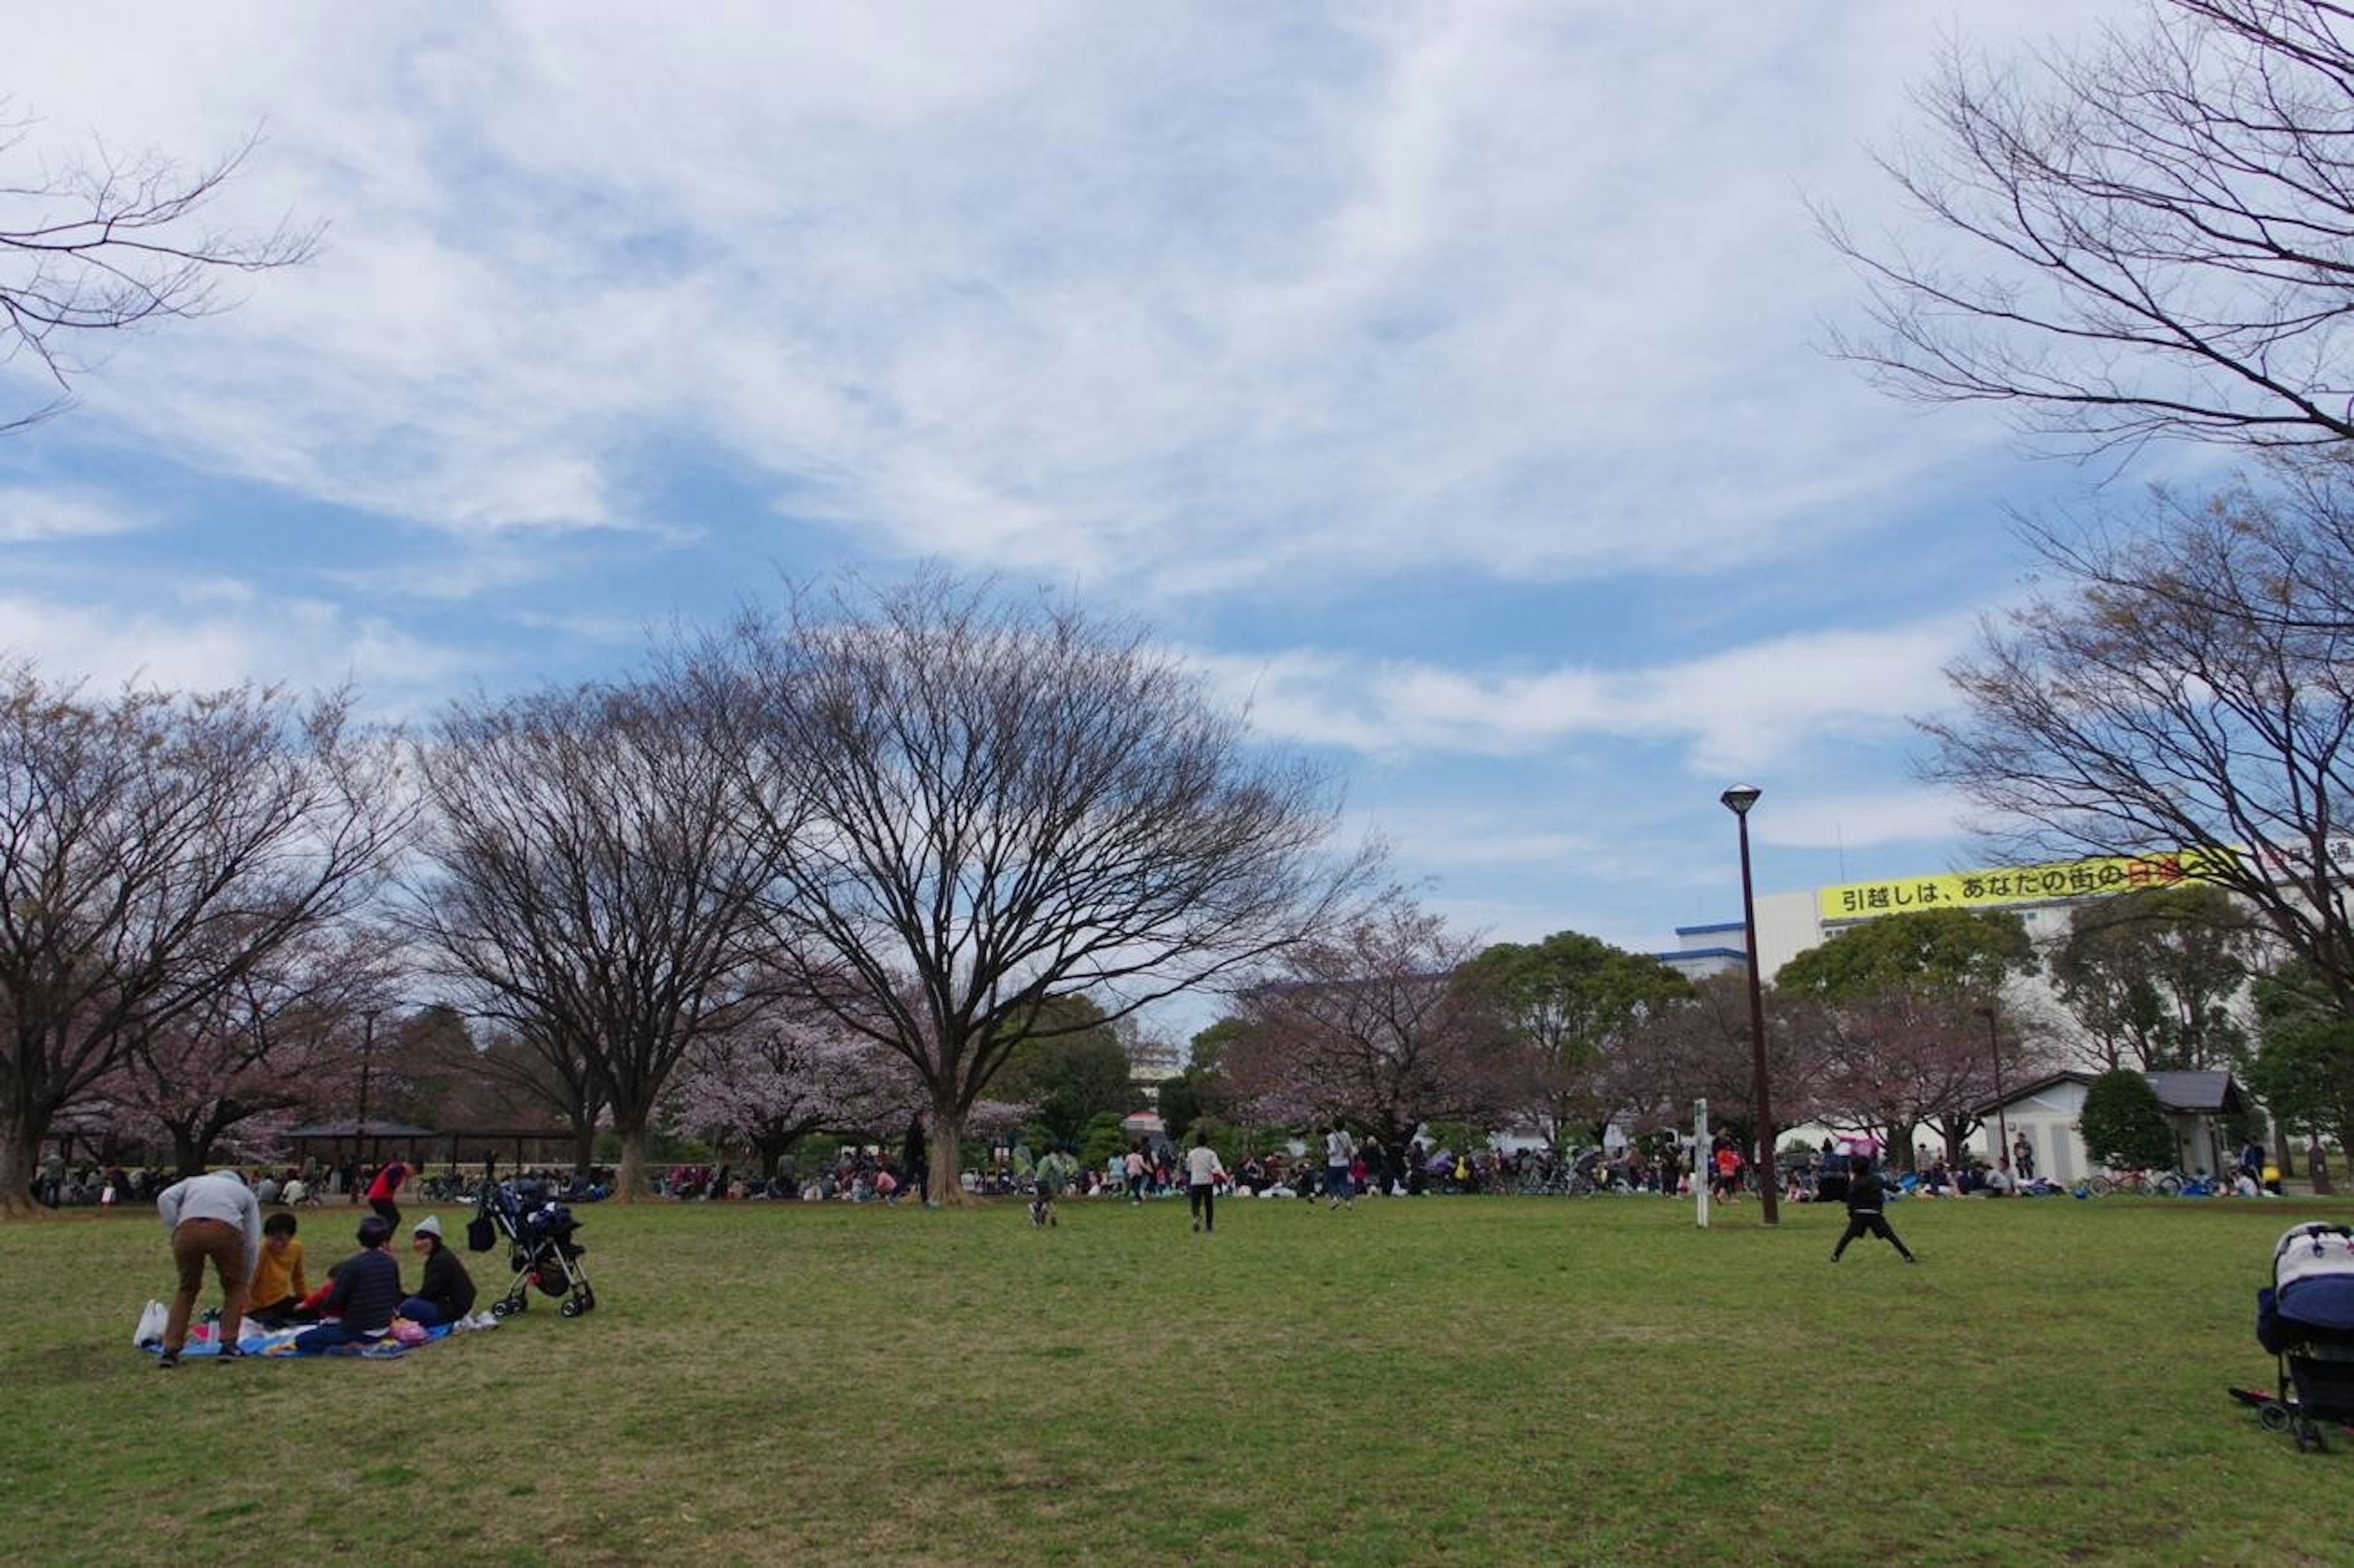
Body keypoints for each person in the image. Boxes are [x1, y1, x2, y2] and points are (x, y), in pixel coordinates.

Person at [154, 1169, 265, 1366]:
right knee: (234, 1289)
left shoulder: (193, 1180)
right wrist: (247, 1274)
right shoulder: (245, 1193)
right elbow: (252, 1240)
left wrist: (176, 1226)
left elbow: (165, 1198)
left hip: (187, 1230)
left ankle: (171, 1348)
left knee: (187, 1289)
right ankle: (229, 1343)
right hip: (226, 1230)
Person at [293, 1216, 405, 1353]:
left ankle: (347, 1348)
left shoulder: (353, 1265)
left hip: (358, 1329)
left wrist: (319, 1308)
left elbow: (335, 1299)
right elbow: (396, 1294)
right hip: (384, 1327)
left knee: (303, 1341)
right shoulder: (391, 1262)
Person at [1830, 1159, 1916, 1264]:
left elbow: (1851, 1199)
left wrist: (1851, 1214)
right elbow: (1893, 1188)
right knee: (1891, 1236)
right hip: (1875, 1214)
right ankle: (1908, 1256)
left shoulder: (1855, 1182)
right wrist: (1901, 1187)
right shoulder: (1876, 1179)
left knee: (1847, 1237)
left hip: (1859, 1214)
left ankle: (1836, 1256)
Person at [398, 1216, 476, 1328]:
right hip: (454, 1306)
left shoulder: (440, 1261)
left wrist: (407, 1299)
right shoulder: (441, 1256)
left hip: (453, 1310)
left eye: (423, 1239)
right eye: (417, 1239)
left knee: (408, 1307)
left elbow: (428, 1293)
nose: (418, 1243)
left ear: (434, 1239)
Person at [245, 1212, 311, 1328]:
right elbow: (250, 1280)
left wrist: (306, 1300)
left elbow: (298, 1277)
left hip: (281, 1300)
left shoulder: (296, 1249)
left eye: (282, 1240)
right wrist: (243, 1308)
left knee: (317, 1311)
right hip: (258, 1306)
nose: (277, 1244)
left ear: (291, 1237)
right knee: (275, 1325)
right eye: (273, 1239)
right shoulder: (261, 1251)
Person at [1185, 1130, 1227, 1234]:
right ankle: (1209, 1225)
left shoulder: (1192, 1153)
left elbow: (1188, 1168)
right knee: (1209, 1204)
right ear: (1206, 1142)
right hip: (1208, 1181)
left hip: (1196, 1181)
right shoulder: (1211, 1153)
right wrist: (1223, 1174)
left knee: (1196, 1203)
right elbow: (1217, 1167)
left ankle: (1196, 1218)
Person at [365, 1154, 411, 1230]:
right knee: (393, 1219)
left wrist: (366, 1191)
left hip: (380, 1198)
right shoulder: (398, 1169)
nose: (412, 1176)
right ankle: (383, 1239)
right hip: (380, 1198)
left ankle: (381, 1238)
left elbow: (378, 1176)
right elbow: (391, 1183)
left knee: (388, 1220)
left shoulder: (394, 1167)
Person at [1325, 1123, 1357, 1209]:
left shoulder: (1331, 1137)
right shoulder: (1346, 1135)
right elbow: (1350, 1147)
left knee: (1333, 1183)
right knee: (1344, 1183)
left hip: (1334, 1163)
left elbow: (1333, 1150)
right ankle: (1348, 1202)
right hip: (1344, 1162)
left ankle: (1335, 1198)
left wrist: (1327, 1152)